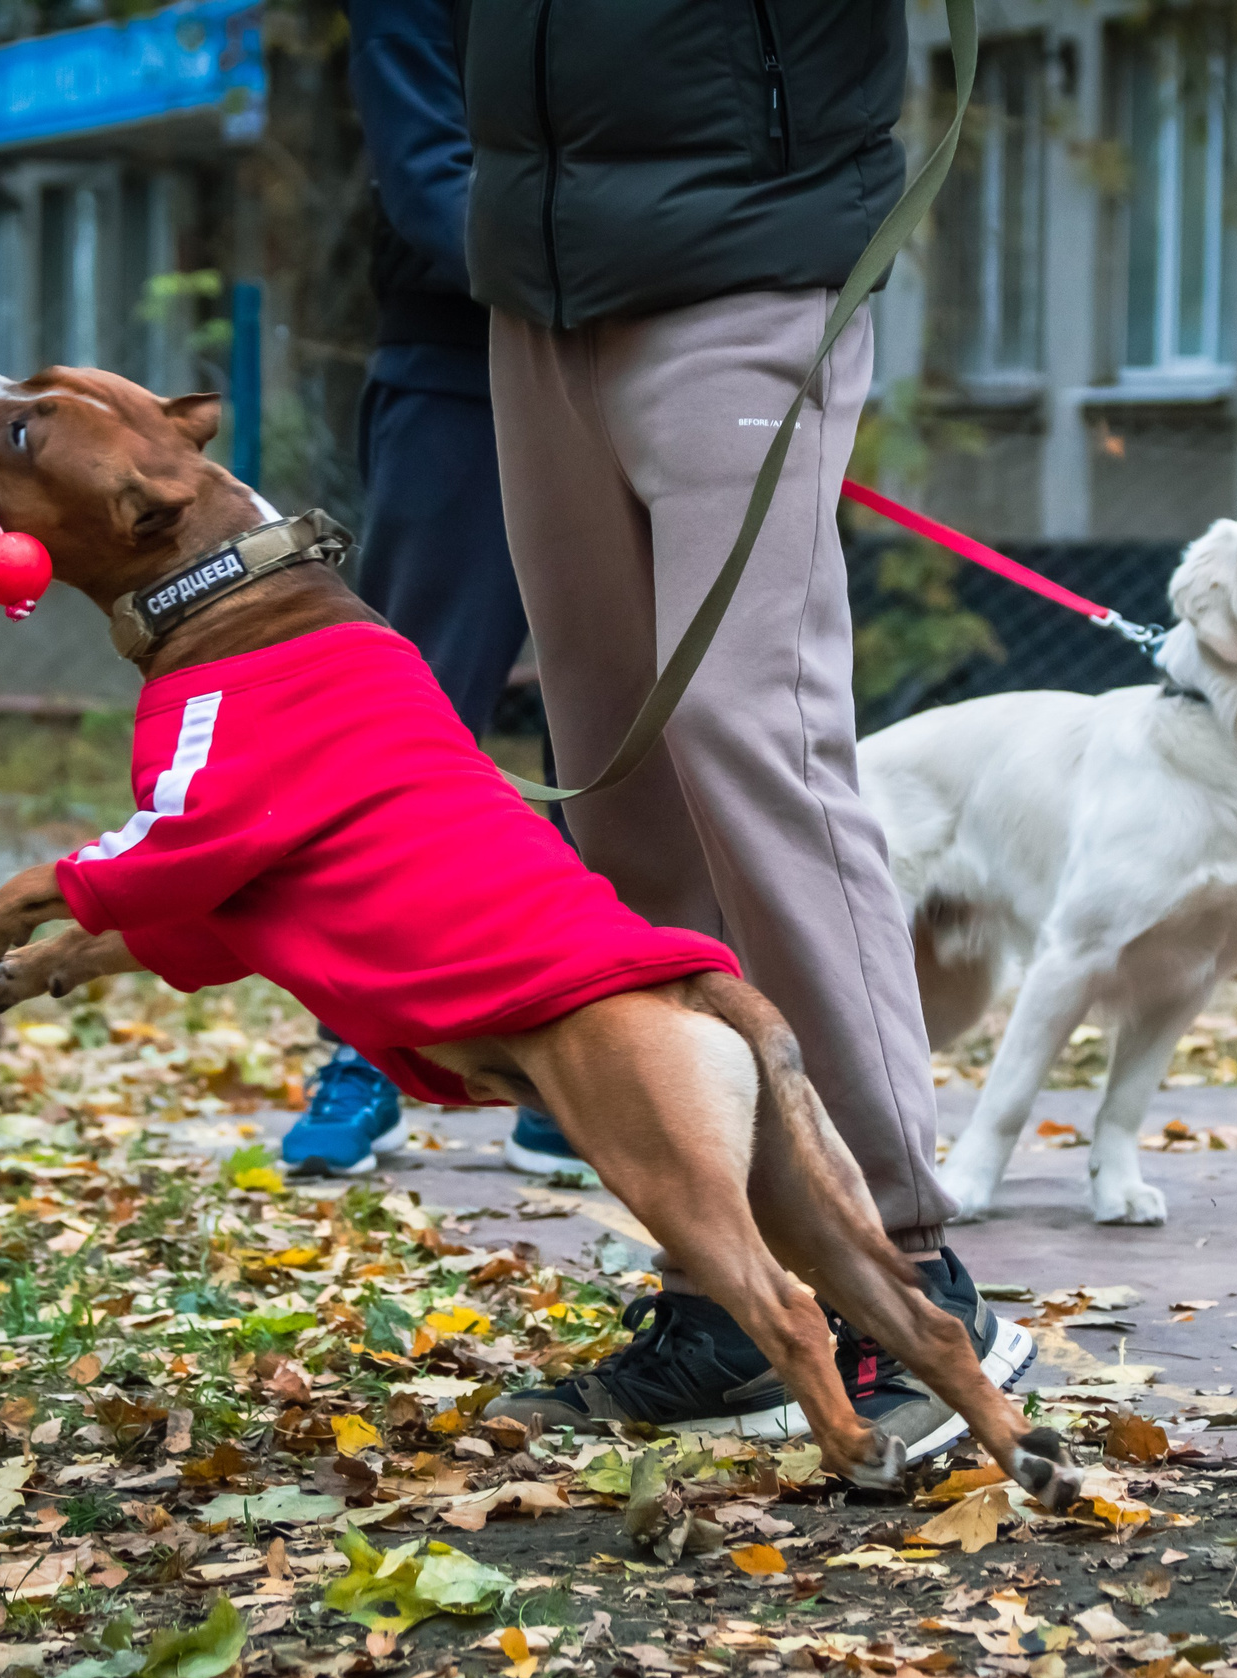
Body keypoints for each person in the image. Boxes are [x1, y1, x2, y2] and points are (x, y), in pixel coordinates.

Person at [459, 0, 1032, 1459]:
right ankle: (732, 1288)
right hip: (539, 285)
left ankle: (905, 1264)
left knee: (746, 729)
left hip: (749, 258)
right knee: (622, 780)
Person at [279, 0, 585, 1181]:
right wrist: (603, 273)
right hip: (458, 368)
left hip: (629, 364)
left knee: (613, 731)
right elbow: (429, 180)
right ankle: (361, 1047)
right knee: (408, 732)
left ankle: (577, 1058)